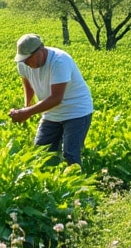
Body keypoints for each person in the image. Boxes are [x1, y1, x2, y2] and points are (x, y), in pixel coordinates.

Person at [9, 33, 94, 165]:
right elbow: (28, 85)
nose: (26, 62)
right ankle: (50, 178)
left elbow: (56, 98)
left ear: (41, 49)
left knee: (70, 154)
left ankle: (77, 177)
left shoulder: (59, 61)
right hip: (51, 113)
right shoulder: (23, 64)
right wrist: (26, 108)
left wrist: (27, 112)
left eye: (29, 58)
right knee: (41, 153)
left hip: (76, 111)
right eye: (24, 59)